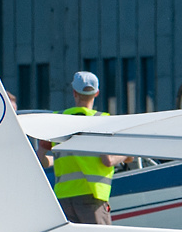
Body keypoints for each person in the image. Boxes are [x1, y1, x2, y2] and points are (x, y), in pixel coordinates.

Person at [40, 71, 126, 224]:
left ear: (74, 93)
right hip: (91, 196)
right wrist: (126, 155)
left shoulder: (58, 120)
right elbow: (107, 160)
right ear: (97, 93)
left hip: (63, 199)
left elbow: (41, 158)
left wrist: (56, 161)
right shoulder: (102, 121)